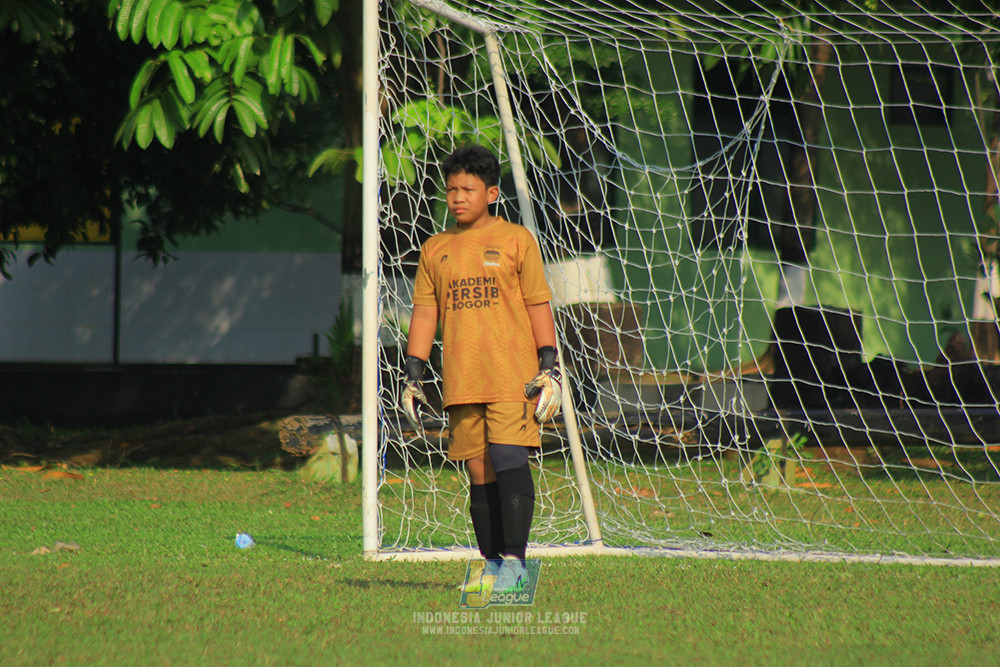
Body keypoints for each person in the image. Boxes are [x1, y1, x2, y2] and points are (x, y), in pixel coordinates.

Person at [400, 144, 562, 594]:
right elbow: (425, 312)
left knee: (509, 457)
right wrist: (413, 371)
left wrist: (549, 362)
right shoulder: (435, 248)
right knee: (478, 470)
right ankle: (490, 566)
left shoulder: (516, 239)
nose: (457, 198)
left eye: (468, 189)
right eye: (451, 189)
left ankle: (515, 564)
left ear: (491, 193)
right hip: (462, 379)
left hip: (514, 376)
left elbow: (537, 303)